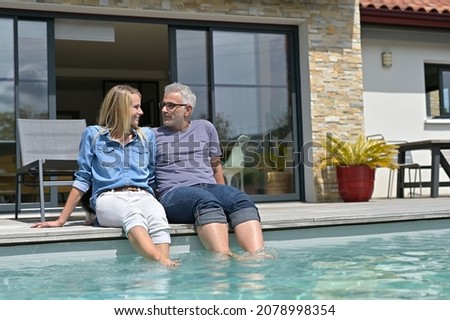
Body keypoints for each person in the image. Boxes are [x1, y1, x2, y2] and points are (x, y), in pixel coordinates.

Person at [32, 84, 178, 267]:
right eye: (136, 107)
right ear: (120, 109)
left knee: (158, 216)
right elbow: (83, 178)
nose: (141, 112)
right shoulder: (93, 135)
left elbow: (151, 177)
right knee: (133, 215)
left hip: (143, 194)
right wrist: (61, 220)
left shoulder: (146, 136)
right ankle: (163, 261)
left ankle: (159, 273)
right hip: (109, 197)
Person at [153, 82, 266, 256]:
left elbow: (216, 165)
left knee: (240, 199)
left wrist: (223, 192)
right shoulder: (152, 136)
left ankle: (257, 257)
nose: (164, 110)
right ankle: (224, 258)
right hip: (173, 193)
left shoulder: (205, 127)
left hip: (207, 187)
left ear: (187, 110)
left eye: (171, 105)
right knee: (205, 200)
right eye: (163, 105)